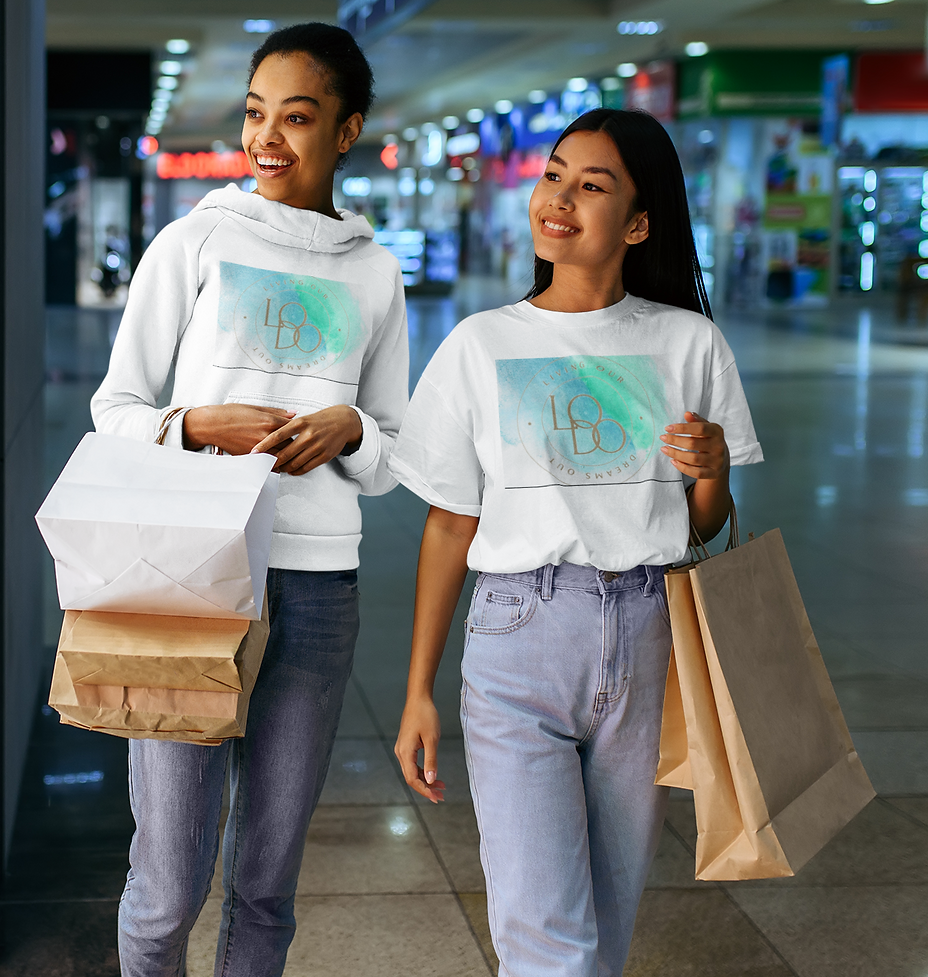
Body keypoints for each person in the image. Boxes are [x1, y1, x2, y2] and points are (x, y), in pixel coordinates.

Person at [390, 108, 763, 977]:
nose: (558, 198)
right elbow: (450, 522)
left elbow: (703, 522)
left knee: (605, 913)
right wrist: (417, 689)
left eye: (591, 185)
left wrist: (710, 468)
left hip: (645, 630)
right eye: (554, 174)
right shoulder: (480, 345)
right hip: (518, 635)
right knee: (544, 933)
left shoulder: (687, 342)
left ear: (637, 223)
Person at [91, 23, 408, 976]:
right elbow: (115, 409)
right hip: (191, 578)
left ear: (346, 130)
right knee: (167, 884)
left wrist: (350, 431)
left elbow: (392, 453)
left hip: (317, 592)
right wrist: (193, 425)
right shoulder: (194, 242)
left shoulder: (373, 269)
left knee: (266, 884)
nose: (268, 137)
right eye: (256, 113)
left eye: (298, 117)